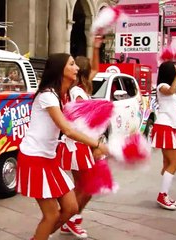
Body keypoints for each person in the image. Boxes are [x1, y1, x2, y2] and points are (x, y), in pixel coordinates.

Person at [15, 53, 109, 240]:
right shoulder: (48, 96)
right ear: (61, 70)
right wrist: (97, 144)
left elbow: (92, 72)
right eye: (72, 64)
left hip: (48, 158)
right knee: (51, 216)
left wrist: (97, 46)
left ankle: (40, 236)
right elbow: (67, 130)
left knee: (71, 208)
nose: (77, 68)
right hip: (34, 159)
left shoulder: (64, 93)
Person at [57, 36, 103, 238]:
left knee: (85, 187)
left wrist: (96, 47)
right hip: (78, 144)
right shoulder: (76, 91)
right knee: (87, 187)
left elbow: (96, 69)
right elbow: (78, 120)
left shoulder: (81, 88)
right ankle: (70, 220)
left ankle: (70, 220)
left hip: (82, 144)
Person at [151, 60, 176, 210]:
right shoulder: (161, 86)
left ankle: (165, 194)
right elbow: (170, 91)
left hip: (168, 127)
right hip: (164, 127)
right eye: (174, 70)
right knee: (175, 163)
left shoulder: (172, 88)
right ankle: (162, 195)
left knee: (168, 164)